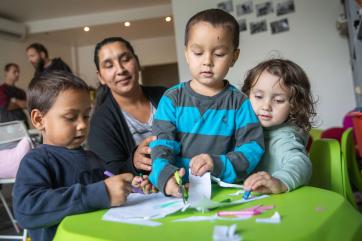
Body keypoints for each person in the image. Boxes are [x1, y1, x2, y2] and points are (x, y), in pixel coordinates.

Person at [12, 71, 142, 241]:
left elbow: (109, 189)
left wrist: (130, 187)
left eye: (86, 116)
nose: (82, 125)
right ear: (39, 120)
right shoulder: (36, 161)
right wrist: (101, 193)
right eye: (70, 117)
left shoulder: (93, 158)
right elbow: (26, 210)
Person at [149, 9, 265, 197]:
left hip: (225, 192)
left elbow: (252, 149)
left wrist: (217, 163)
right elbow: (161, 146)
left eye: (218, 54)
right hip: (178, 190)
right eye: (197, 52)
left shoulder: (240, 103)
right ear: (187, 53)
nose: (207, 61)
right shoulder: (172, 99)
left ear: (234, 57)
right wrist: (167, 179)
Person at [88, 37, 166, 176]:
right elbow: (108, 174)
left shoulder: (167, 96)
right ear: (100, 77)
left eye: (125, 59)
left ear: (137, 62)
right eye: (109, 65)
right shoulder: (100, 123)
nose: (120, 70)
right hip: (145, 196)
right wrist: (133, 163)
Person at [242, 59, 315, 194]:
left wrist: (280, 182)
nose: (266, 106)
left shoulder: (285, 137)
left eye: (278, 100)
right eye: (258, 96)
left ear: (294, 105)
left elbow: (301, 163)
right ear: (247, 96)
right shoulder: (246, 127)